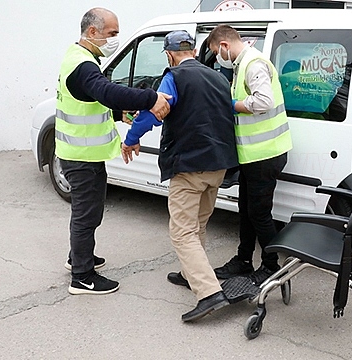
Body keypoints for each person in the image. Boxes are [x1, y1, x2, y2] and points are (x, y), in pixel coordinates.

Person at [121, 30, 239, 321]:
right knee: (197, 223)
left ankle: (209, 293)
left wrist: (131, 138)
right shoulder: (219, 78)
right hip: (220, 163)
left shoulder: (174, 76)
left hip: (190, 165)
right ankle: (190, 274)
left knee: (182, 231)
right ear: (195, 51)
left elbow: (155, 110)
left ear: (169, 53)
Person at [57, 7, 170, 295]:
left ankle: (78, 258)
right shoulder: (84, 65)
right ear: (93, 32)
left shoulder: (80, 58)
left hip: (83, 154)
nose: (115, 39)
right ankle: (82, 277)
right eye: (112, 33)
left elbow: (93, 103)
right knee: (87, 214)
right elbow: (106, 92)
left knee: (88, 213)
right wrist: (151, 97)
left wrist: (121, 115)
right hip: (81, 157)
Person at [205, 25, 293, 286]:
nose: (218, 59)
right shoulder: (242, 64)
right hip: (254, 155)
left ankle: (271, 267)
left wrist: (232, 106)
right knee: (246, 210)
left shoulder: (253, 63)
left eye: (216, 53)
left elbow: (263, 101)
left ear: (224, 46)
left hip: (266, 154)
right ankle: (243, 260)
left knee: (260, 214)